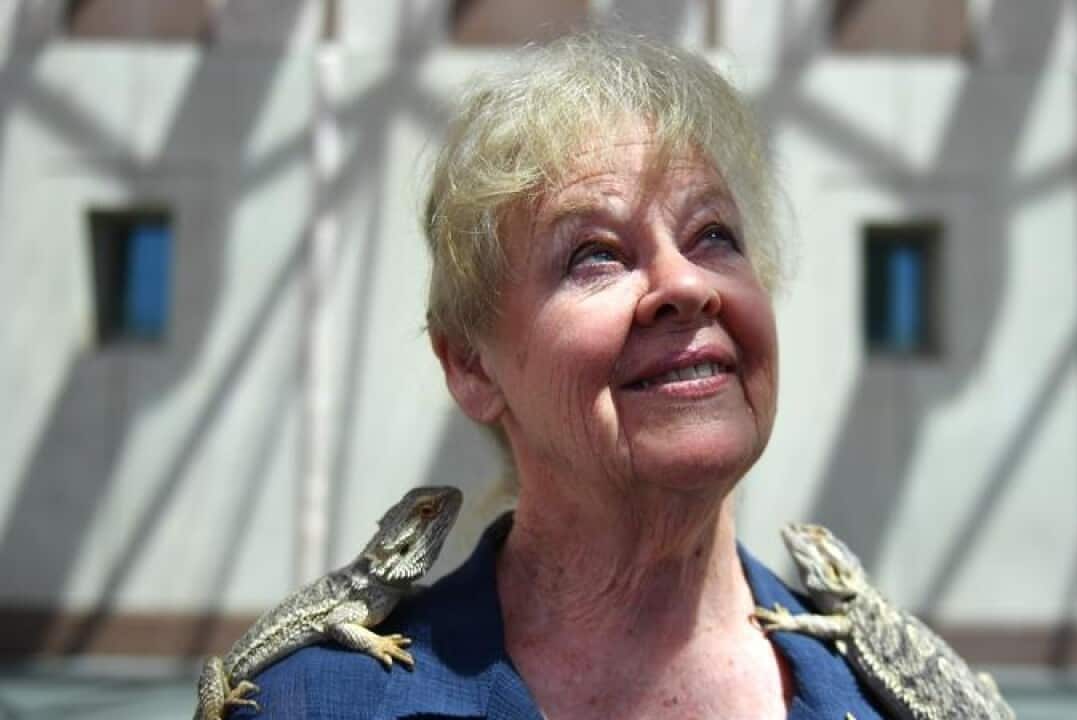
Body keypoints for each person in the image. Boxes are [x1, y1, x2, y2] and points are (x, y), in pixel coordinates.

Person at [233, 31, 1006, 720]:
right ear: (471, 365)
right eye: (595, 254)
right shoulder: (313, 703)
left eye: (714, 236)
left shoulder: (915, 701)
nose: (685, 285)